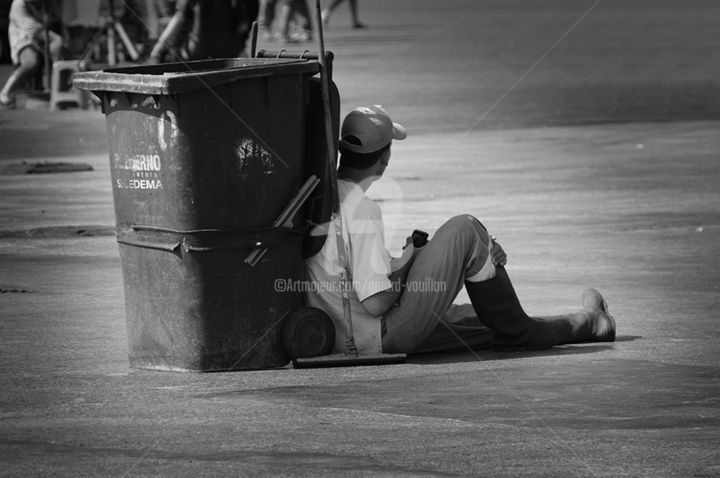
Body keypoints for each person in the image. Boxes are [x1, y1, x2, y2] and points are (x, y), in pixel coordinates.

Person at [304, 105, 616, 355]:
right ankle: (521, 320)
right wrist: (413, 261)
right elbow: (376, 303)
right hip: (377, 335)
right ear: (385, 158)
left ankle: (591, 323)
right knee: (465, 229)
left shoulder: (321, 195)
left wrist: (411, 260)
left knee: (474, 320)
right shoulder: (360, 208)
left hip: (344, 332)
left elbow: (351, 276)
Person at [147, 0, 258, 63]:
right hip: (230, 54)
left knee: (171, 55)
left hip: (196, 54)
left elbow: (178, 20)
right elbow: (242, 26)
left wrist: (158, 48)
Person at [0, 0, 63, 109]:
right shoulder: (19, 3)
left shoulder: (42, 4)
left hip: (39, 41)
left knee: (60, 52)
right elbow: (29, 26)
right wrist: (52, 37)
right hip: (22, 39)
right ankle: (5, 91)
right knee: (30, 62)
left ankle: (58, 88)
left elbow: (55, 19)